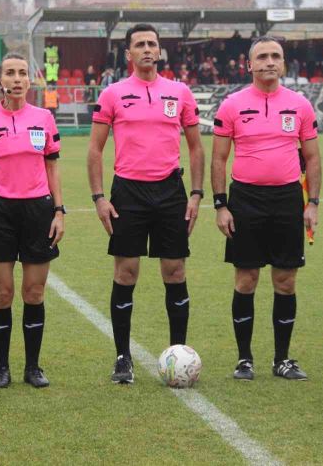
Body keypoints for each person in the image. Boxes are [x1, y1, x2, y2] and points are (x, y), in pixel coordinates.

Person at [87, 23, 205, 384]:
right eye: (140, 44)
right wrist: (99, 198)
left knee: (175, 272)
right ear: (129, 54)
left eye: (152, 44)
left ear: (160, 50)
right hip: (128, 192)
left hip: (171, 191)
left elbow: (197, 147)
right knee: (126, 273)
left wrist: (197, 194)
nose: (148, 49)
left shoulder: (179, 92)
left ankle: (178, 354)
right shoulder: (113, 94)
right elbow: (95, 149)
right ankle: (122, 358)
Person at [212, 36, 321, 381]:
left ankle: (282, 359)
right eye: (262, 56)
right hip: (245, 200)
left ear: (284, 63)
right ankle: (244, 359)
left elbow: (314, 158)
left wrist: (313, 203)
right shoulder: (231, 105)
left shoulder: (300, 105)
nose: (269, 62)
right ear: (249, 64)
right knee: (246, 279)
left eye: (275, 56)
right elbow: (218, 158)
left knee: (285, 280)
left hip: (288, 199)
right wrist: (221, 206)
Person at [0, 52, 65, 389]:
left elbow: (53, 167)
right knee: (2, 293)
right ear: (0, 80)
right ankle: (1, 369)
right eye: (10, 73)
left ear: (29, 79)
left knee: (34, 291)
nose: (17, 79)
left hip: (38, 210)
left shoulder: (44, 118)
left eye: (22, 73)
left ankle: (33, 367)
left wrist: (59, 211)